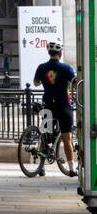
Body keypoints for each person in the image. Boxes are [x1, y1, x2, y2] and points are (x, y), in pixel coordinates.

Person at [32, 40, 76, 175]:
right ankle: (71, 168)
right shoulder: (67, 68)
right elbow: (75, 84)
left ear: (48, 52)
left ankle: (41, 166)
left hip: (48, 104)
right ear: (60, 53)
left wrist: (45, 81)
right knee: (67, 138)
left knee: (45, 134)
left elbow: (36, 83)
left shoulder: (42, 67)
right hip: (63, 105)